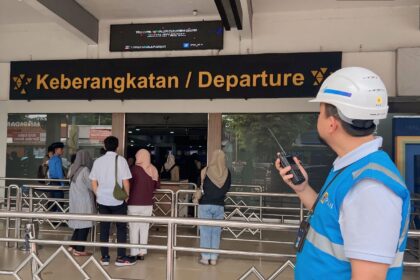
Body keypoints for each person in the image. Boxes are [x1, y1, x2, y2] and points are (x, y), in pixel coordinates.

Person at [275, 67, 410, 280]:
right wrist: (301, 188)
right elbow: (331, 218)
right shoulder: (351, 167)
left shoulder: (370, 187)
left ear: (332, 123)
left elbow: (370, 277)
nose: (317, 117)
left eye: (319, 112)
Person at [89, 136, 136, 267]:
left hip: (103, 201)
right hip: (118, 200)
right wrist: (126, 197)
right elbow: (126, 181)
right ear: (118, 146)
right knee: (121, 228)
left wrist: (98, 194)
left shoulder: (98, 161)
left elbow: (93, 181)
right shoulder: (121, 160)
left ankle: (104, 257)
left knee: (104, 228)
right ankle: (121, 257)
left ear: (104, 146)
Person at [198, 150, 231, 266]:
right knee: (216, 232)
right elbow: (227, 189)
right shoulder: (227, 172)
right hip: (219, 205)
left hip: (205, 204)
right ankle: (214, 258)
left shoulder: (205, 170)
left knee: (205, 231)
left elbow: (199, 185)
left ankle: (205, 258)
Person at [128, 149, 160, 260]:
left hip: (133, 203)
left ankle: (134, 252)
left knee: (134, 228)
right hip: (148, 203)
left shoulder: (134, 169)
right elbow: (156, 186)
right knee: (144, 228)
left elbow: (128, 185)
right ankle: (142, 252)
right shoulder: (153, 169)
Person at [67, 150, 95, 256]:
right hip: (84, 200)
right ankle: (79, 249)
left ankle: (72, 245)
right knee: (85, 225)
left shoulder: (72, 168)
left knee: (79, 223)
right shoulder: (85, 170)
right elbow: (91, 186)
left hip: (75, 200)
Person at [48, 142, 65, 212]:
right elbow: (59, 173)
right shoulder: (58, 159)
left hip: (52, 182)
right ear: (56, 149)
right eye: (61, 149)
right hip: (58, 182)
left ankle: (53, 220)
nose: (62, 150)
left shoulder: (51, 159)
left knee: (53, 202)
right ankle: (59, 220)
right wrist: (63, 184)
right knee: (59, 202)